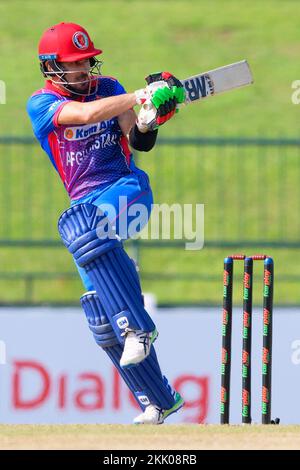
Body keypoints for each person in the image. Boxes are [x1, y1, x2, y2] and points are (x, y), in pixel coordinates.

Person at [27, 22, 185, 425]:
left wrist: (149, 117)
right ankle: (157, 399)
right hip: (86, 211)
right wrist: (139, 95)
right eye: (74, 65)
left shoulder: (110, 88)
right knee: (100, 315)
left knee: (88, 229)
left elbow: (138, 140)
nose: (84, 71)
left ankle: (139, 327)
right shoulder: (41, 104)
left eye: (86, 63)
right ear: (51, 69)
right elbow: (83, 114)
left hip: (126, 191)